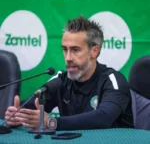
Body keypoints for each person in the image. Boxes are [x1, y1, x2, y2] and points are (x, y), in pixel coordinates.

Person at [5, 16, 133, 130]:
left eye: (75, 50)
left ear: (94, 51)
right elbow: (31, 107)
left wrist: (52, 122)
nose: (68, 57)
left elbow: (103, 117)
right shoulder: (60, 79)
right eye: (65, 50)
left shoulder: (113, 80)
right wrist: (18, 115)